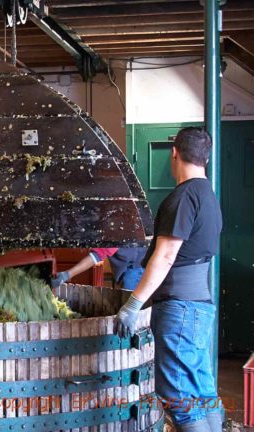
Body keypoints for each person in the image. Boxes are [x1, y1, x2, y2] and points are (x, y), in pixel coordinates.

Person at [114, 128, 223, 432]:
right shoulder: (209, 197)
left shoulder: (184, 197)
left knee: (177, 395)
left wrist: (132, 305)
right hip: (200, 307)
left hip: (180, 310)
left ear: (174, 153)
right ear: (207, 158)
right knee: (201, 391)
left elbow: (165, 256)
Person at [51, 247, 146, 290]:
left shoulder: (118, 228)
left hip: (137, 271)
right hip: (134, 268)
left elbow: (96, 256)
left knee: (130, 314)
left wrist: (67, 274)